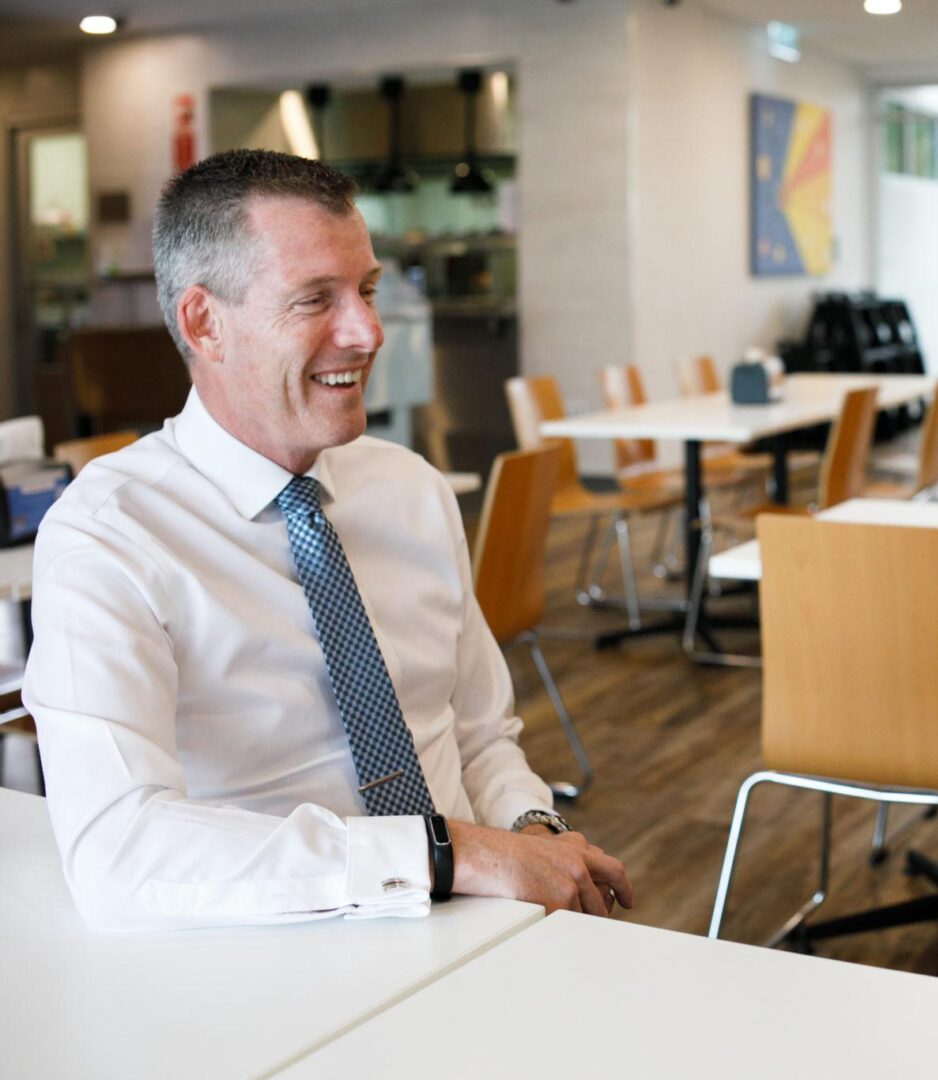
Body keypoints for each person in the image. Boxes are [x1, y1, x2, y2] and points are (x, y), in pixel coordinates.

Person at [23, 149, 634, 931]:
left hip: (482, 927)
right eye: (316, 300)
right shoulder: (110, 536)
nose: (369, 331)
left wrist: (530, 830)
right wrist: (438, 855)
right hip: (279, 952)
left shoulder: (410, 488)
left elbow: (481, 737)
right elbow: (119, 851)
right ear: (204, 323)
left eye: (368, 290)